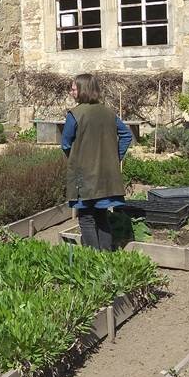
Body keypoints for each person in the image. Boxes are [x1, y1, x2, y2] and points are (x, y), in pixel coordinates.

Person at [61, 73, 133, 250]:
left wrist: (77, 158)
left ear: (83, 90)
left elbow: (65, 144)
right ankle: (106, 256)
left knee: (85, 217)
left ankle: (93, 259)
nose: (71, 92)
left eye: (74, 88)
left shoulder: (75, 115)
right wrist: (115, 157)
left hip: (84, 175)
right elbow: (126, 135)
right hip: (106, 174)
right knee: (101, 215)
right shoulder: (109, 112)